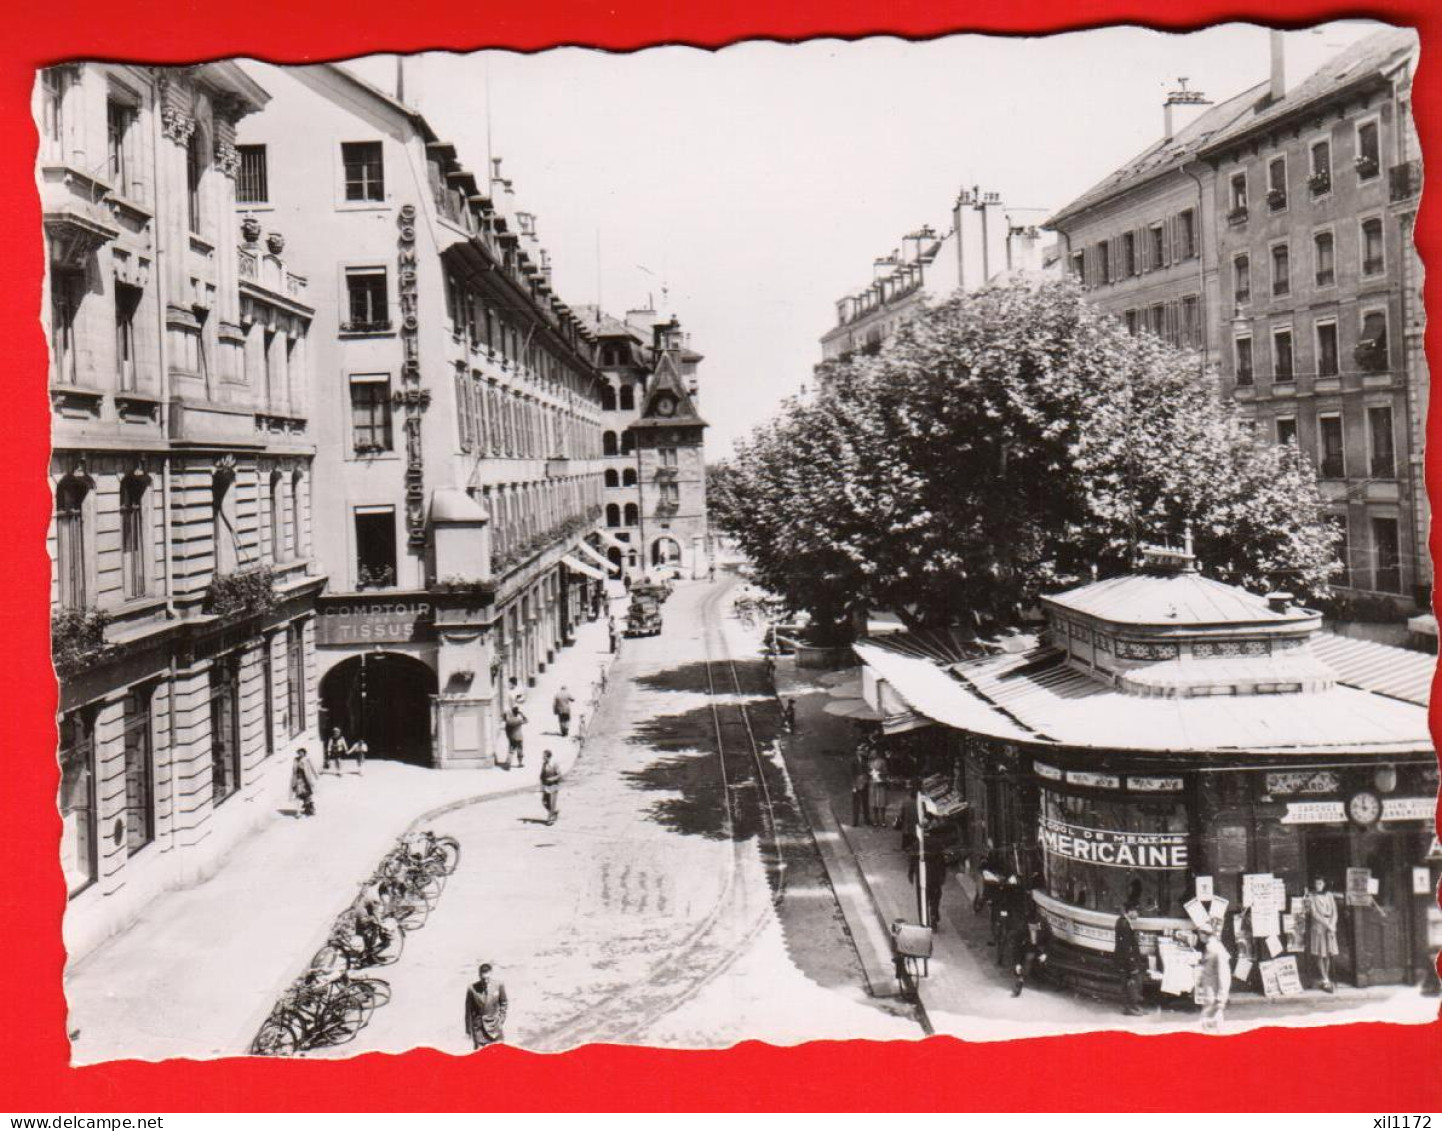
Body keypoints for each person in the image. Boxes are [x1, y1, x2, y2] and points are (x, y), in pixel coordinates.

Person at [1303, 875, 1339, 992]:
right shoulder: (1312, 897)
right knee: (1320, 953)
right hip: (1318, 927)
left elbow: (1334, 911)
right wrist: (1327, 924)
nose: (1318, 886)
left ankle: (1327, 976)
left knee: (1328, 953)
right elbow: (1314, 914)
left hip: (1330, 927)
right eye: (1316, 883)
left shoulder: (1329, 895)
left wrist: (1332, 924)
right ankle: (1325, 978)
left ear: (1324, 884)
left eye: (1320, 883)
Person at [1194, 922, 1232, 1033]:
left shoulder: (1215, 949)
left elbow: (1224, 975)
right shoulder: (1211, 947)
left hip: (1214, 998)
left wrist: (1221, 999)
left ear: (1203, 935)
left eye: (1200, 934)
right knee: (1215, 1028)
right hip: (1210, 995)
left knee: (1207, 1027)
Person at [1113, 902, 1148, 1016]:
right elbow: (1126, 947)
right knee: (1129, 984)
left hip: (1125, 959)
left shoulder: (1124, 922)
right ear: (1131, 911)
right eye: (1137, 912)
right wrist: (1132, 964)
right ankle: (1129, 1008)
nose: (1138, 915)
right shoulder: (1124, 924)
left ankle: (1134, 1006)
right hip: (1125, 961)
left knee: (1132, 983)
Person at [464, 963, 509, 1049]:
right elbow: (468, 1011)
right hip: (479, 1030)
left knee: (500, 1055)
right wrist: (468, 1030)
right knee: (480, 1058)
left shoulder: (499, 985)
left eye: (487, 978)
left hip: (495, 1028)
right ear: (479, 975)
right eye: (483, 979)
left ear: (491, 973)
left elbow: (504, 1002)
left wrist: (501, 1019)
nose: (485, 981)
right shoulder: (472, 989)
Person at [290, 748, 317, 817]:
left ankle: (310, 809)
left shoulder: (307, 759)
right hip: (298, 780)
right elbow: (294, 771)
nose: (300, 754)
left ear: (304, 753)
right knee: (298, 796)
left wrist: (316, 775)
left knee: (308, 795)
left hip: (306, 780)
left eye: (302, 752)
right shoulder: (295, 759)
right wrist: (293, 782)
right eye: (299, 752)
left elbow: (312, 767)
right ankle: (298, 812)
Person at [540, 750, 563, 825]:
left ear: (548, 756)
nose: (543, 757)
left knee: (552, 803)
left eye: (544, 756)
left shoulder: (554, 764)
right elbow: (542, 775)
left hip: (554, 786)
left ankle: (550, 820)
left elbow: (559, 775)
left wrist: (552, 779)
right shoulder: (544, 764)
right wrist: (542, 785)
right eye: (543, 756)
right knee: (544, 802)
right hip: (546, 786)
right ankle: (554, 813)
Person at [503, 704, 527, 769]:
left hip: (512, 737)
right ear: (517, 713)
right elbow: (526, 720)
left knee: (511, 750)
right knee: (520, 750)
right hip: (519, 737)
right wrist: (522, 714)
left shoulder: (509, 721)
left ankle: (508, 763)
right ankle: (520, 763)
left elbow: (505, 719)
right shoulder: (518, 720)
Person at [851, 752, 871, 827]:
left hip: (865, 784)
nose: (862, 751)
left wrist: (867, 780)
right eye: (860, 749)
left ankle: (867, 819)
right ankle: (855, 821)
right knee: (856, 803)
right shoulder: (853, 761)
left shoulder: (865, 760)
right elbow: (852, 774)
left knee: (865, 802)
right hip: (857, 784)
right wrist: (854, 786)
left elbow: (867, 771)